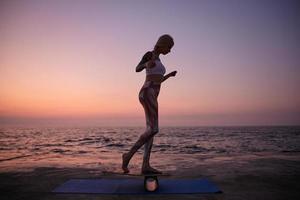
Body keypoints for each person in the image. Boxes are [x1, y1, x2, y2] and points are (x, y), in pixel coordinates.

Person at [122, 34, 177, 174]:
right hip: (147, 92)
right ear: (162, 44)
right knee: (154, 129)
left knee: (151, 131)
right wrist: (146, 64)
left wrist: (169, 76)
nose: (170, 51)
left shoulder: (159, 60)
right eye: (169, 47)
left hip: (153, 93)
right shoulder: (149, 54)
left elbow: (158, 79)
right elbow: (137, 68)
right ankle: (128, 156)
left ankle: (145, 165)